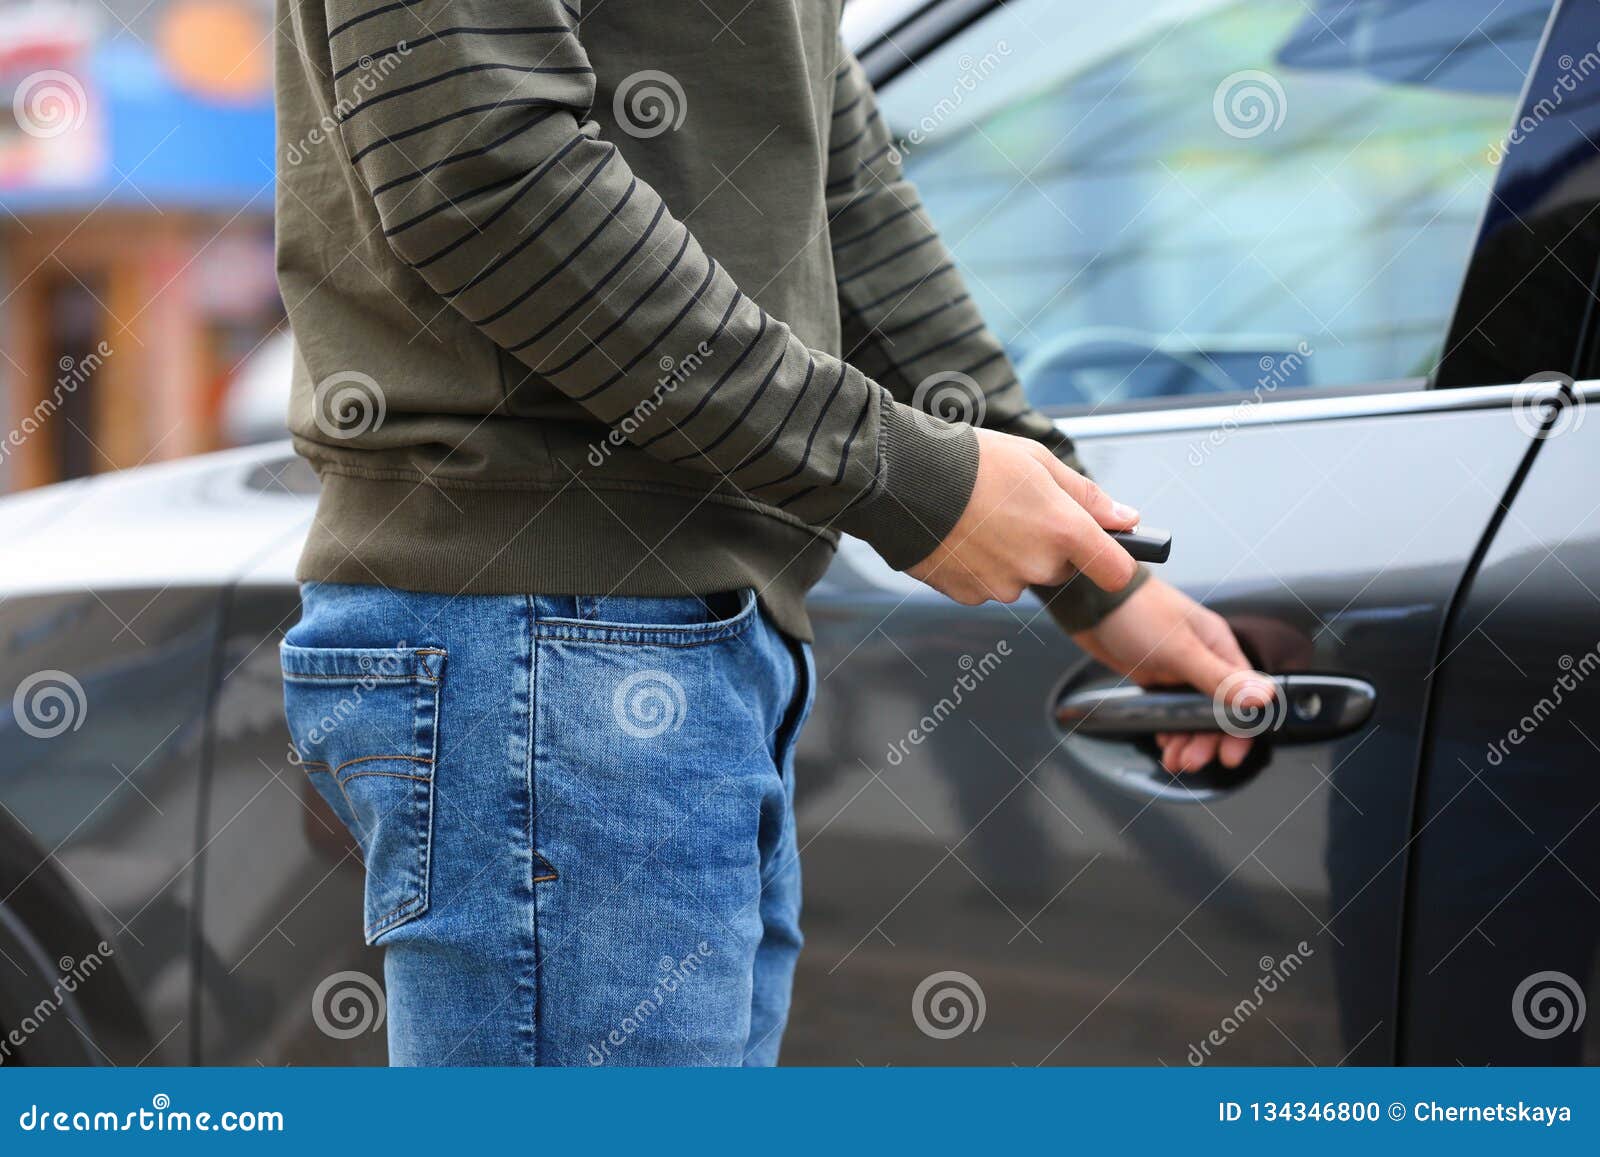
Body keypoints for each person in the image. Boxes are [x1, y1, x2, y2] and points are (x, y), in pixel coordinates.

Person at [274, 0, 1269, 1066]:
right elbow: (480, 170)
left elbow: (831, 185)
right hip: (551, 637)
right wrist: (906, 477)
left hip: (661, 645)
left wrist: (1094, 569)